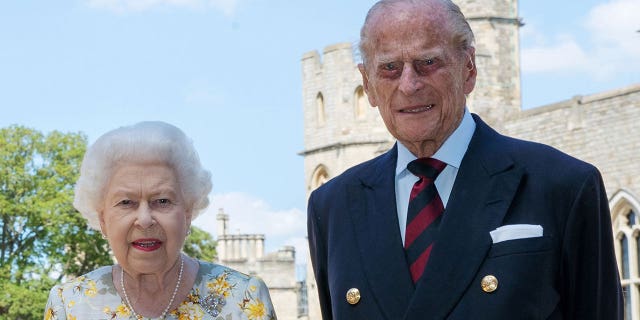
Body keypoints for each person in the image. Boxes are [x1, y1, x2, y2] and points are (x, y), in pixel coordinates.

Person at [306, 0, 623, 319]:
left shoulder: (563, 186)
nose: (409, 85)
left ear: (468, 69)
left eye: (427, 62)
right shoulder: (333, 207)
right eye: (389, 68)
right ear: (367, 86)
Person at [44, 121, 277, 320]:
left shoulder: (243, 299)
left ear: (187, 213)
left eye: (162, 201)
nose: (145, 220)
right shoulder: (70, 305)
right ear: (103, 219)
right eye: (126, 202)